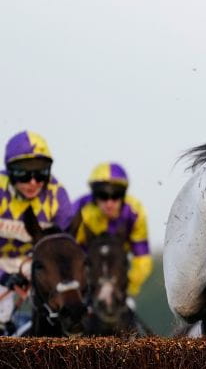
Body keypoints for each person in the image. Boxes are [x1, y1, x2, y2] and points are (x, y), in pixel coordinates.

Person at [0, 131, 74, 334]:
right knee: (2, 311)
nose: (33, 182)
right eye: (24, 174)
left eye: (41, 173)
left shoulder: (57, 195)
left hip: (33, 264)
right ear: (10, 171)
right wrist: (5, 277)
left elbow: (63, 249)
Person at [73, 163, 153, 305]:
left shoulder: (135, 212)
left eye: (116, 196)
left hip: (118, 273)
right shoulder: (80, 210)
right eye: (103, 196)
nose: (109, 203)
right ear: (95, 197)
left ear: (123, 196)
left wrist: (126, 286)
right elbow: (70, 253)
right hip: (87, 273)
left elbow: (142, 259)